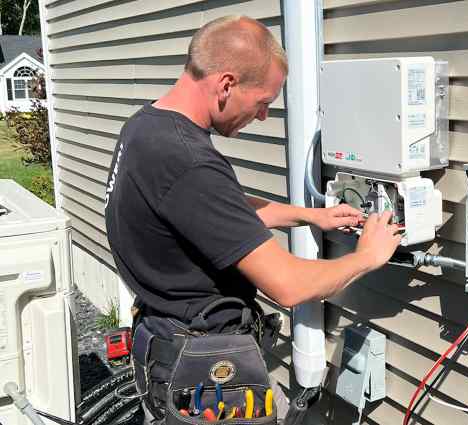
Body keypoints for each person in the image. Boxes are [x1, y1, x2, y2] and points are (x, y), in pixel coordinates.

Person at [104, 15, 401, 423]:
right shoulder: (189, 162)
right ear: (226, 84)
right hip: (207, 373)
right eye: (262, 102)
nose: (262, 116)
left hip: (164, 341)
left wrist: (311, 215)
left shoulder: (146, 128)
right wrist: (368, 255)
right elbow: (291, 286)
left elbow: (216, 206)